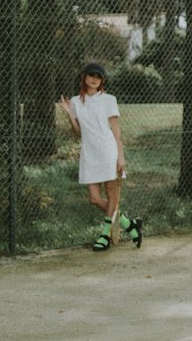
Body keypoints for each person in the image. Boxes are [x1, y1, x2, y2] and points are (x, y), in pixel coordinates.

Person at [59, 62, 143, 252]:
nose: (94, 79)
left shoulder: (108, 100)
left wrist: (120, 156)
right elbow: (79, 132)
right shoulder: (75, 101)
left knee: (111, 193)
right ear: (85, 77)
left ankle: (105, 235)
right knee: (95, 199)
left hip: (108, 151)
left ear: (102, 81)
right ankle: (129, 224)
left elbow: (116, 131)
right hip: (90, 154)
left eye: (98, 76)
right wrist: (69, 114)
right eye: (91, 75)